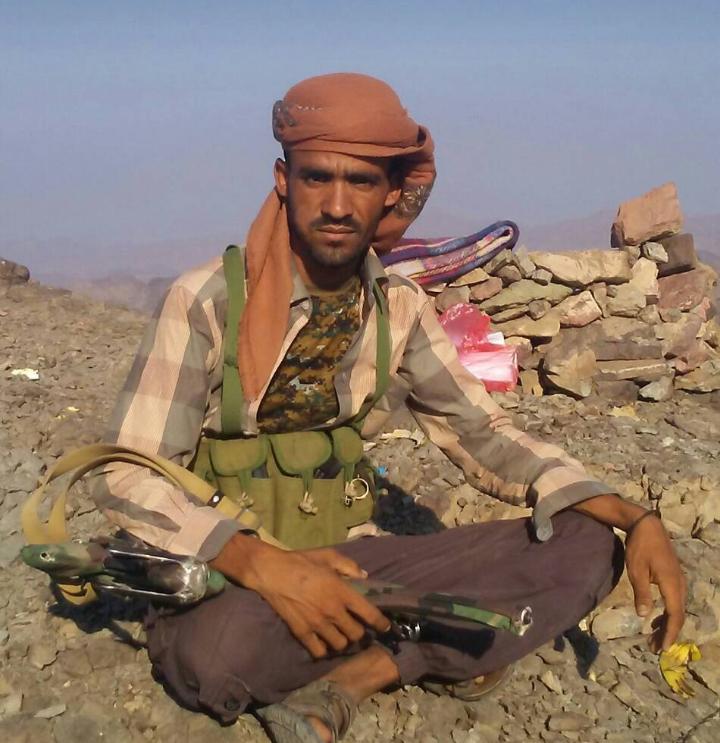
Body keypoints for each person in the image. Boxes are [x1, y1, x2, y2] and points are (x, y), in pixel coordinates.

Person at [92, 73, 686, 743]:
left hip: (358, 564)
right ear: (284, 181)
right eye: (317, 178)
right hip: (238, 574)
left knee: (587, 543)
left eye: (361, 182)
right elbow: (126, 473)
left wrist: (634, 516)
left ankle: (368, 667)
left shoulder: (398, 308)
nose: (337, 205)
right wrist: (263, 565)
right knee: (215, 659)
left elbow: (483, 432)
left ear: (391, 195)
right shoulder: (206, 301)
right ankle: (430, 643)